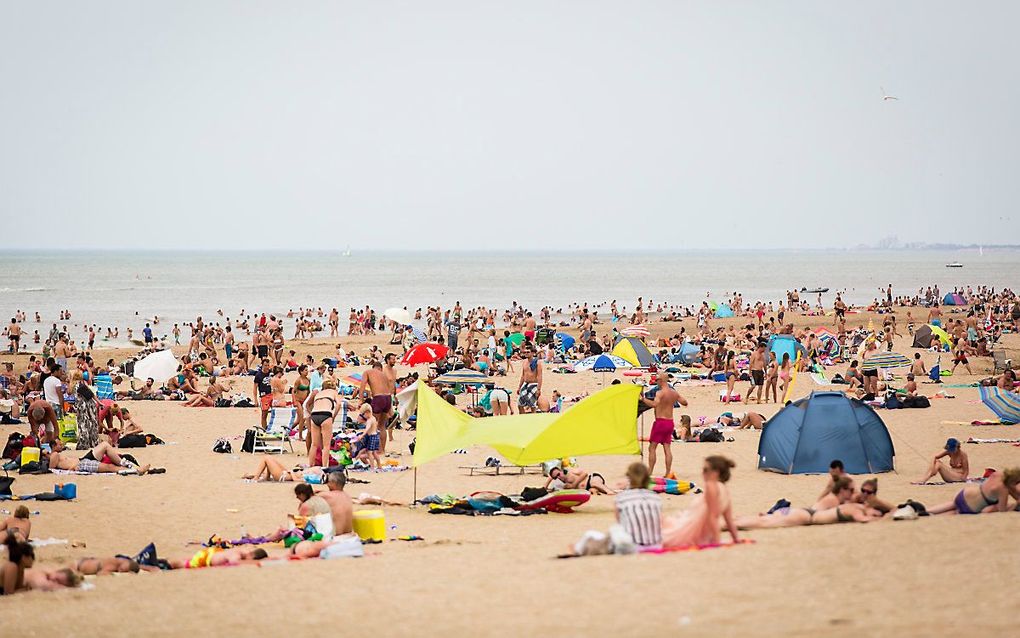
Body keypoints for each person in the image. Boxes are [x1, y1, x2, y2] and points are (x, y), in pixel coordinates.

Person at [661, 455, 739, 548]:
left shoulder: (711, 486)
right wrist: (736, 539)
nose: (702, 473)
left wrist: (717, 542)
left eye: (706, 470)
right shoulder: (725, 490)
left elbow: (712, 516)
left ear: (716, 472)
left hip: (690, 531)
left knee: (661, 521)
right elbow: (728, 519)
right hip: (700, 532)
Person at [642, 374, 687, 478]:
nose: (656, 382)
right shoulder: (673, 393)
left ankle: (650, 471)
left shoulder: (659, 393)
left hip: (660, 422)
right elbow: (684, 402)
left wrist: (643, 399)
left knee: (652, 448)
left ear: (661, 381)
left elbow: (654, 404)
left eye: (657, 380)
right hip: (670, 422)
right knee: (667, 448)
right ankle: (667, 472)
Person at [927, 468, 1020, 515]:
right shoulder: (1003, 489)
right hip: (972, 506)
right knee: (956, 512)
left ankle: (927, 511)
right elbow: (1002, 510)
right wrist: (1014, 505)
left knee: (953, 504)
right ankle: (930, 516)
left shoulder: (999, 474)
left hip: (964, 493)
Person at [614, 462, 662, 548]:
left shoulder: (621, 498)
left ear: (629, 478)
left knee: (613, 530)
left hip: (631, 544)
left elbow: (619, 522)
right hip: (655, 543)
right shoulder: (656, 497)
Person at [358, 360, 395, 455]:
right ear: (380, 368)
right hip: (387, 399)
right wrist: (390, 408)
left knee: (373, 424)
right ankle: (382, 450)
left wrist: (360, 400)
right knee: (382, 426)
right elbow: (390, 390)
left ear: (373, 367)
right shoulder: (384, 375)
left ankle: (376, 449)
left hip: (378, 398)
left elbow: (362, 386)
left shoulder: (367, 372)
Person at [306, 379, 342, 468]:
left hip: (314, 415)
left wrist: (311, 413)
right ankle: (325, 467)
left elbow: (308, 405)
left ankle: (310, 466)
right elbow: (339, 404)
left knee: (314, 444)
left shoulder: (318, 393)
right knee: (326, 445)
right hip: (326, 414)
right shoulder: (333, 392)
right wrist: (334, 416)